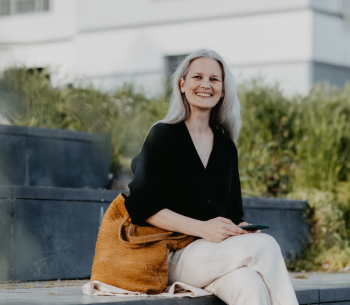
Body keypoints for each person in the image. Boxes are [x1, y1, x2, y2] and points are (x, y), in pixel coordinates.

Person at [124, 49, 299, 305]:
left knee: (250, 285)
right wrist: (203, 228)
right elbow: (140, 205)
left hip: (215, 256)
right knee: (266, 246)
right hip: (171, 254)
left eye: (214, 79)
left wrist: (239, 229)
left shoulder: (226, 147)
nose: (206, 84)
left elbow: (232, 214)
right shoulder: (163, 136)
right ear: (182, 85)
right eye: (197, 77)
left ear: (223, 89)